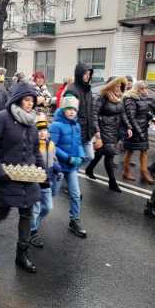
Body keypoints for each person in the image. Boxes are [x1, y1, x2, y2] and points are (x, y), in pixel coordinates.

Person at [0, 83, 44, 273]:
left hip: (27, 177)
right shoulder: (2, 118)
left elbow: (35, 150)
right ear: (18, 99)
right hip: (6, 176)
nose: (30, 104)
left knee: (27, 214)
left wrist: (42, 172)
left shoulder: (31, 122)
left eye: (32, 100)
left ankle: (21, 255)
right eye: (26, 100)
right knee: (3, 212)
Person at [85, 77, 132, 192]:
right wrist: (97, 133)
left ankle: (89, 169)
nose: (118, 88)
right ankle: (112, 182)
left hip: (114, 130)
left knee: (101, 152)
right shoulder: (102, 97)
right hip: (103, 129)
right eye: (116, 86)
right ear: (110, 86)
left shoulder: (120, 98)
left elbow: (123, 114)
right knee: (109, 154)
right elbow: (94, 115)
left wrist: (128, 127)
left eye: (120, 86)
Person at [49, 94, 87, 238]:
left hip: (71, 168)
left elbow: (78, 144)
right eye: (69, 109)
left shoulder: (76, 125)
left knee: (76, 195)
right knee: (52, 193)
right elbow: (53, 146)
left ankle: (74, 221)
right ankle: (35, 217)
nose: (72, 112)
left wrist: (81, 155)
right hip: (58, 167)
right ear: (63, 109)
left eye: (74, 109)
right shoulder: (56, 125)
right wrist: (69, 158)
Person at [30, 117, 61, 249]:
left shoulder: (51, 145)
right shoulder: (33, 146)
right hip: (36, 182)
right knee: (35, 209)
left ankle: (34, 224)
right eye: (39, 130)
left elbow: (53, 158)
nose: (42, 133)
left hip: (47, 181)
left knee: (48, 207)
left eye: (45, 130)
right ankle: (32, 231)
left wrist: (57, 168)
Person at [63, 63, 97, 163]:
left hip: (87, 131)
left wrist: (94, 128)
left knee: (90, 156)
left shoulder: (88, 90)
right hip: (76, 130)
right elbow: (67, 112)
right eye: (85, 73)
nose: (88, 76)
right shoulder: (72, 90)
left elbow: (91, 110)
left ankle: (73, 169)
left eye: (89, 74)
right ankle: (71, 171)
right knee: (76, 156)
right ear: (79, 74)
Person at [122, 81, 155, 184]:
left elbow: (144, 112)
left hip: (143, 128)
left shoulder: (142, 98)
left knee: (144, 150)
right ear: (137, 89)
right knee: (130, 151)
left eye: (146, 88)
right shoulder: (130, 99)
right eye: (143, 88)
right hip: (134, 130)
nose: (145, 90)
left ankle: (144, 172)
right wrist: (139, 132)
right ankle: (126, 171)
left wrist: (153, 118)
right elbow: (131, 117)